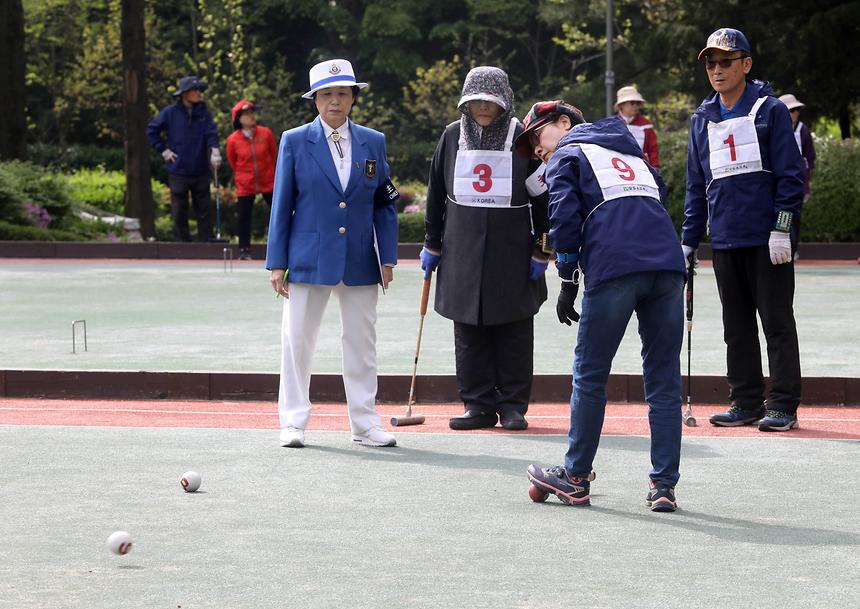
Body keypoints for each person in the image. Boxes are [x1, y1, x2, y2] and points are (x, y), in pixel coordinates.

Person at [515, 101, 686, 511]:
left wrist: (568, 276)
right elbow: (659, 194)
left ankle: (575, 477)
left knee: (590, 374)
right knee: (663, 379)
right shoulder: (631, 152)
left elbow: (563, 214)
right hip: (666, 265)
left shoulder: (569, 153)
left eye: (537, 138)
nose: (539, 152)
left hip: (614, 267)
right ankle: (663, 486)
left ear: (563, 122)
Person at [266, 59, 399, 449]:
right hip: (307, 255)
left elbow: (384, 203)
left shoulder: (374, 141)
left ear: (354, 98)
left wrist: (387, 256)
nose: (335, 101)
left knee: (361, 342)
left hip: (360, 256)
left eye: (343, 93)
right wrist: (277, 262)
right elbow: (281, 204)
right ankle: (292, 422)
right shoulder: (293, 140)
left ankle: (365, 423)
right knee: (297, 341)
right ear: (315, 100)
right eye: (327, 94)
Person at [682, 28, 805, 432]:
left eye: (725, 61)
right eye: (710, 63)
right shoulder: (702, 118)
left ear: (746, 65)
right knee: (736, 327)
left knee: (777, 323)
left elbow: (791, 177)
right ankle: (746, 401)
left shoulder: (769, 110)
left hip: (768, 241)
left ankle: (783, 404)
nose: (716, 70)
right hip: (725, 240)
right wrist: (688, 240)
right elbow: (696, 186)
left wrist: (783, 229)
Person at [421, 66, 550, 431]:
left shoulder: (523, 137)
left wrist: (543, 247)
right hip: (461, 249)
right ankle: (477, 403)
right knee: (468, 330)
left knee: (513, 331)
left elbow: (543, 197)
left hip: (511, 250)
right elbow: (435, 193)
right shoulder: (450, 136)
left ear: (504, 101)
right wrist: (432, 243)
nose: (482, 107)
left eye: (489, 101)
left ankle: (512, 405)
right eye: (475, 100)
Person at [147, 76, 221, 242]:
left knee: (203, 208)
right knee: (179, 209)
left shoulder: (204, 113)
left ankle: (205, 242)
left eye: (199, 90)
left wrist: (215, 150)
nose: (198, 93)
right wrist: (164, 150)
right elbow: (151, 131)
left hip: (200, 168)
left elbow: (211, 133)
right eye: (194, 90)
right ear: (184, 93)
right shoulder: (170, 113)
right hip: (178, 169)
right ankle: (182, 243)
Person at [226, 100, 278, 259]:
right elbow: (233, 161)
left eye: (252, 113)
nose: (251, 117)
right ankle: (244, 250)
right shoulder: (232, 140)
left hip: (268, 180)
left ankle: (280, 248)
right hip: (245, 182)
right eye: (246, 114)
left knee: (278, 214)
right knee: (244, 216)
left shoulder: (266, 133)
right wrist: (245, 175)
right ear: (238, 119)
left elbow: (275, 156)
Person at [778, 93, 816, 201]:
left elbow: (810, 157)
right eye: (791, 110)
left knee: (796, 210)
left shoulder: (803, 130)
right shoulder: (775, 130)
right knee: (784, 213)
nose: (795, 113)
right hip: (780, 179)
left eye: (796, 110)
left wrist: (807, 181)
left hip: (799, 177)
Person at [614, 86, 660, 168]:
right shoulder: (612, 124)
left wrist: (655, 166)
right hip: (619, 169)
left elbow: (653, 149)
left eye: (638, 103)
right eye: (632, 102)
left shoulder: (646, 124)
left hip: (643, 169)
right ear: (622, 105)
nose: (635, 106)